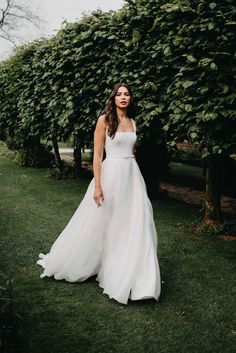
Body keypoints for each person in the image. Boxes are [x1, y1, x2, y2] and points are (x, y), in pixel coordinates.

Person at [37, 83, 161, 305]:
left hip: (132, 176)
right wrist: (97, 186)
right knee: (103, 221)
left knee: (135, 222)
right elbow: (97, 156)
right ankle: (95, 262)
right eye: (119, 94)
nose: (123, 98)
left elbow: (132, 152)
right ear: (113, 98)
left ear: (131, 99)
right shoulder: (104, 121)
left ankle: (137, 277)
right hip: (110, 174)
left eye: (127, 94)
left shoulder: (133, 122)